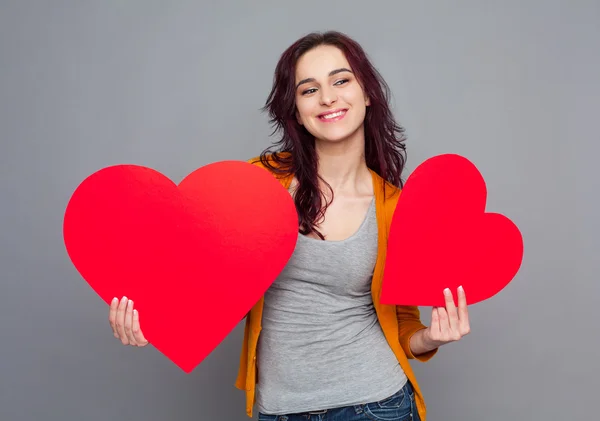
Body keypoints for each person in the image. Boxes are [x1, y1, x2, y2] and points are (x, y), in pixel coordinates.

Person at [107, 31, 471, 421]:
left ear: (367, 94)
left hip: (376, 404)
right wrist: (148, 313)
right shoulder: (257, 182)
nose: (328, 97)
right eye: (309, 89)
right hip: (279, 410)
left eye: (341, 80)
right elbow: (196, 267)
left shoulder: (394, 209)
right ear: (296, 110)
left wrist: (432, 337)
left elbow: (402, 323)